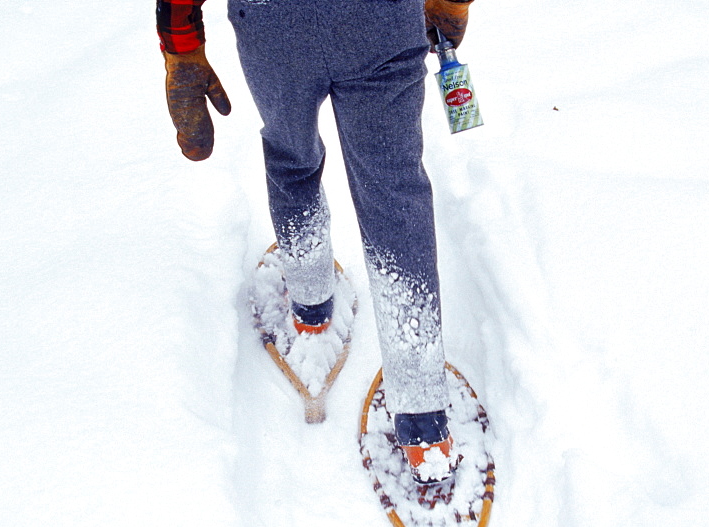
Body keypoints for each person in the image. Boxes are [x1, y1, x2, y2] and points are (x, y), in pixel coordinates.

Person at [156, 0, 474, 483]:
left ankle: (310, 312)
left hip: (274, 26)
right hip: (380, 20)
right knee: (394, 197)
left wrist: (182, 49)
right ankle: (426, 430)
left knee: (291, 159)